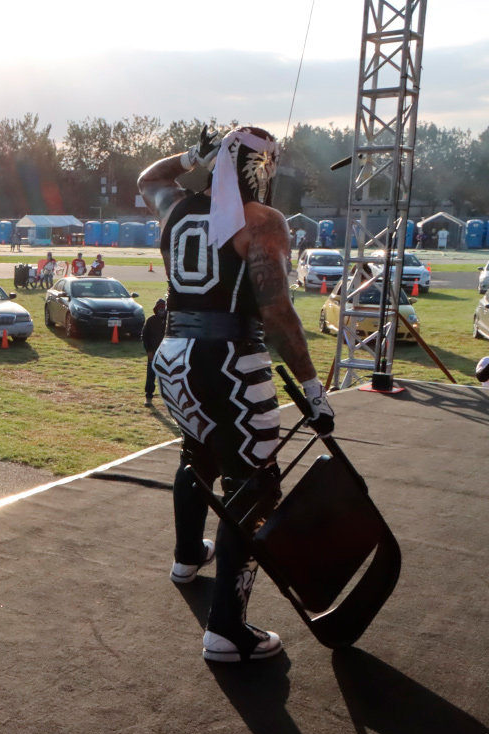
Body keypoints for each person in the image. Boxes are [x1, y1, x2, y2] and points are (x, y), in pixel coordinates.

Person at [138, 125, 334, 663]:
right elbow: (277, 312)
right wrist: (313, 387)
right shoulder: (262, 220)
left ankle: (187, 556)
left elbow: (148, 177)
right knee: (255, 486)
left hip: (174, 355)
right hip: (229, 361)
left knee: (198, 453)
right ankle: (226, 629)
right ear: (260, 167)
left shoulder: (174, 207)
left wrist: (189, 156)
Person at [142, 298, 167, 406]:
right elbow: (144, 336)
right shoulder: (151, 321)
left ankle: (168, 400)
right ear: (156, 309)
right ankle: (148, 398)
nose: (161, 310)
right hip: (153, 353)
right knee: (151, 376)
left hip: (167, 354)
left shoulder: (170, 321)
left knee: (167, 378)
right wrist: (148, 351)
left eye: (163, 308)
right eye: (159, 308)